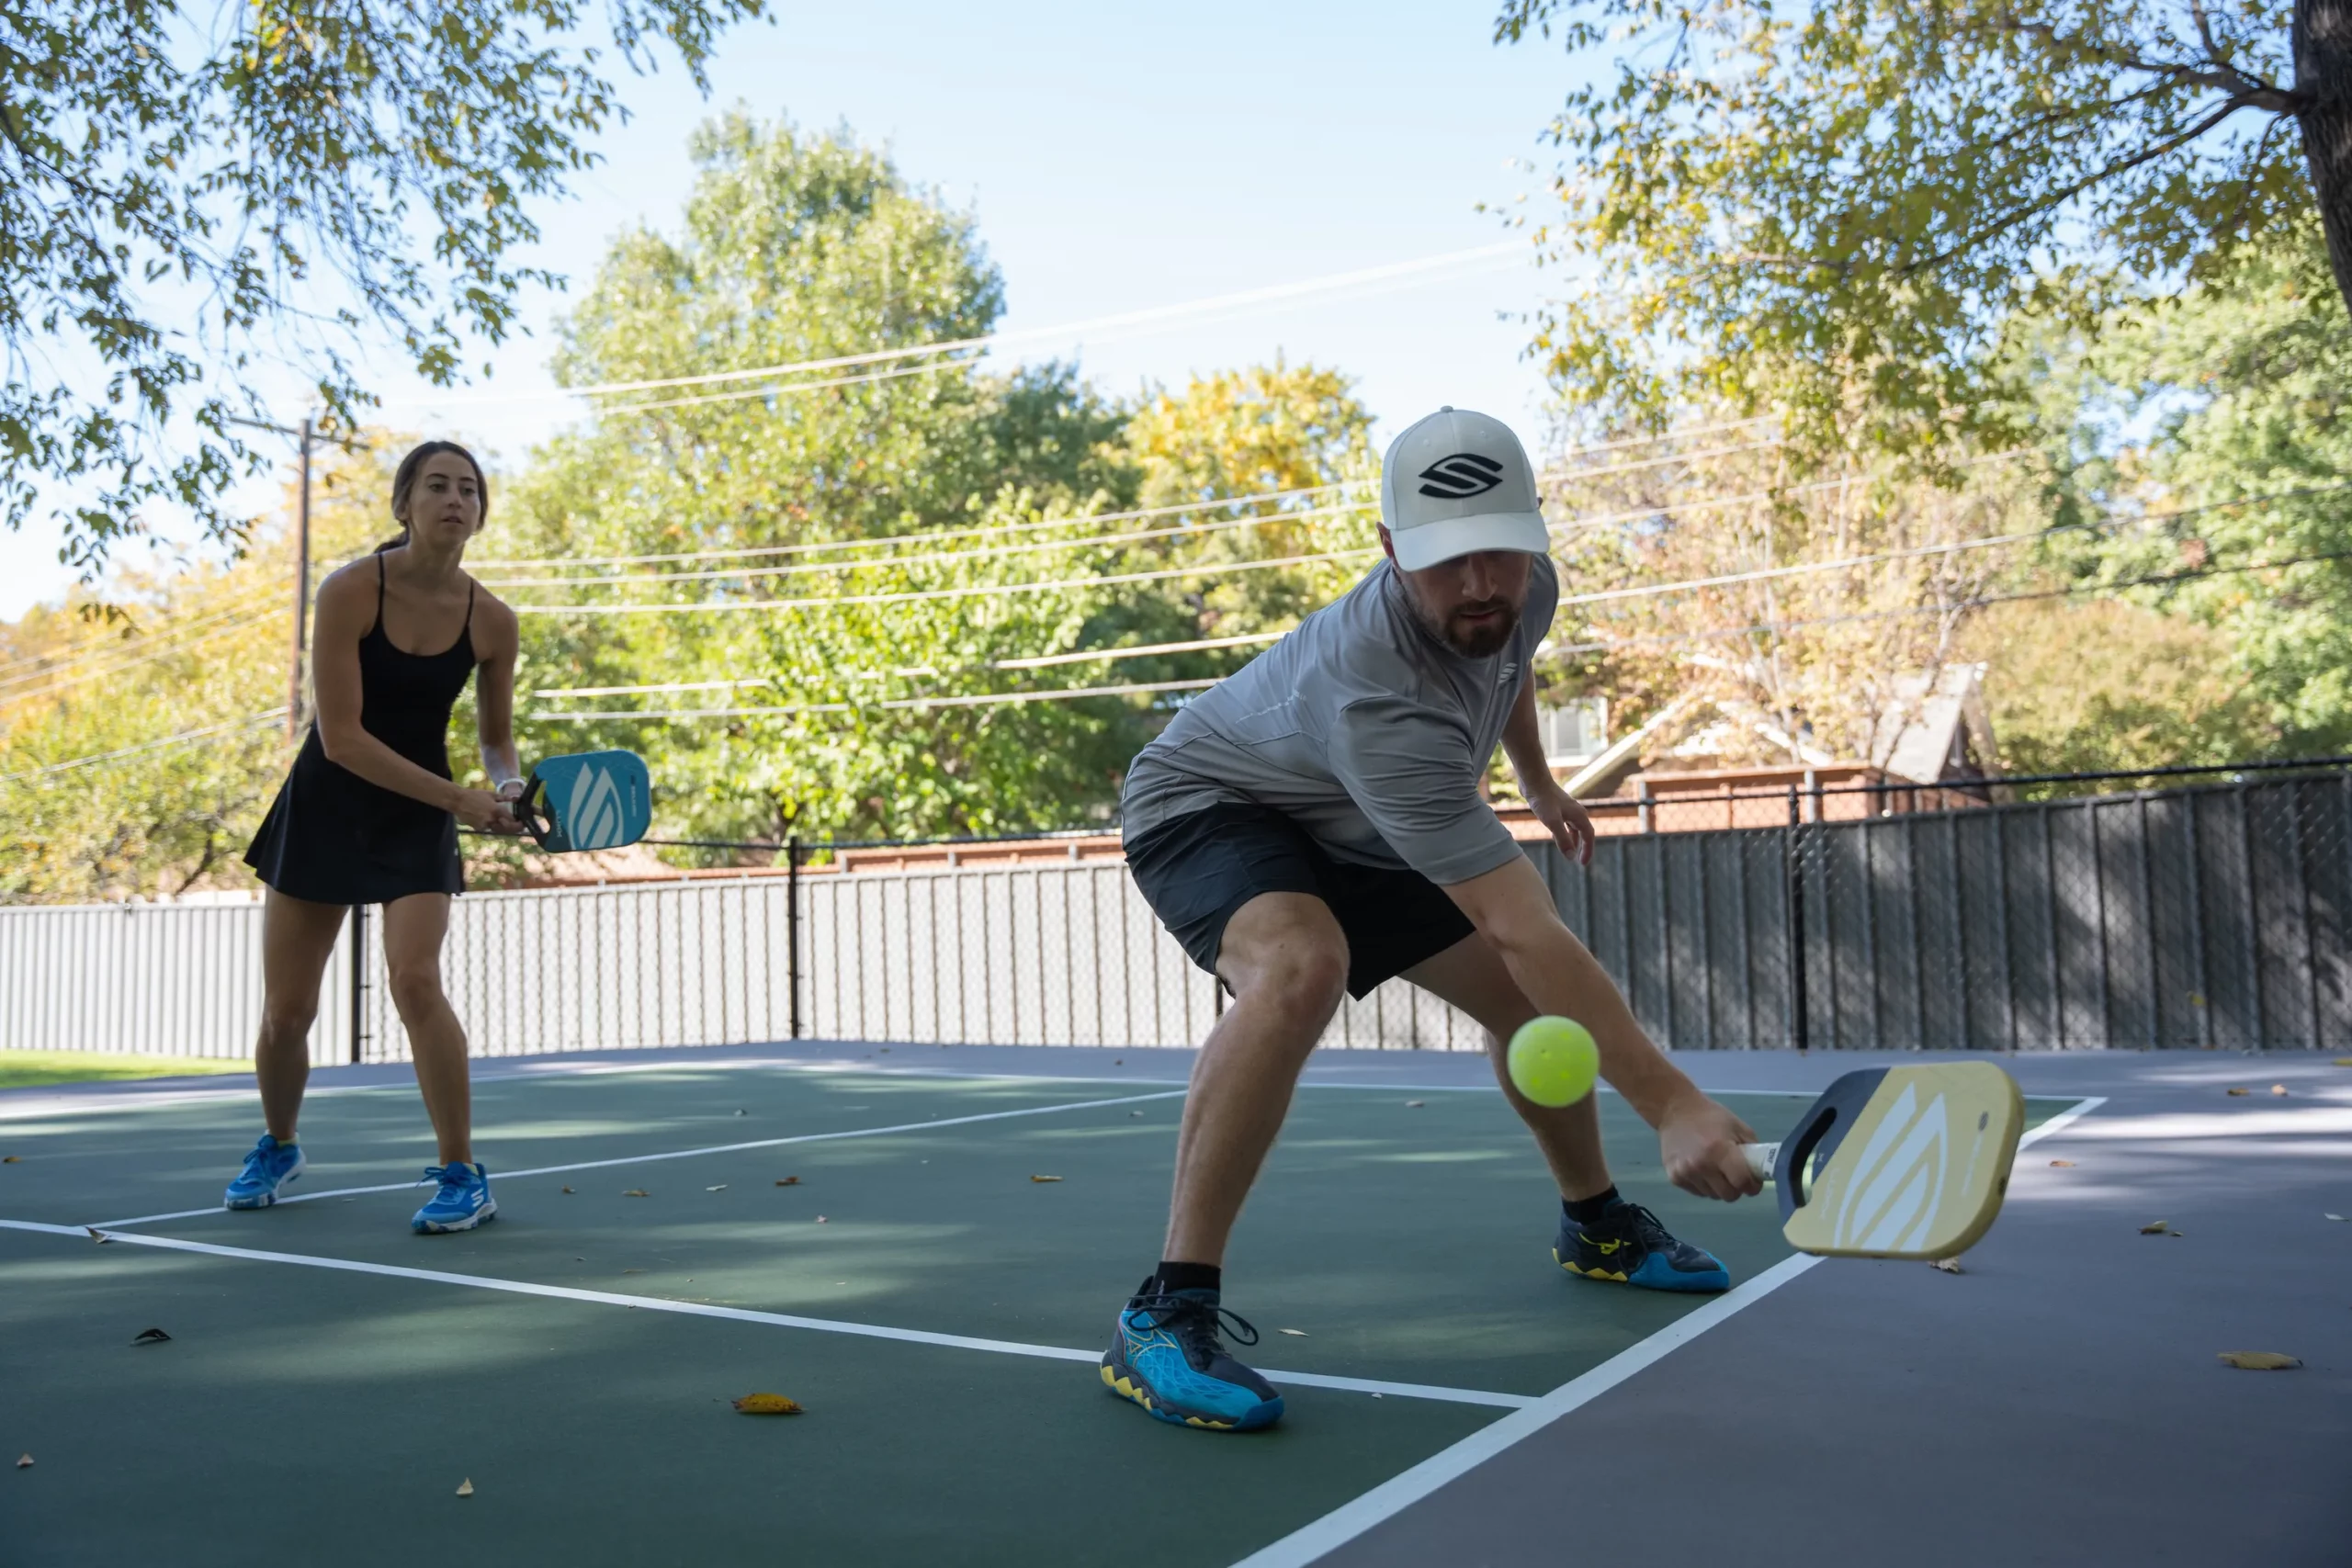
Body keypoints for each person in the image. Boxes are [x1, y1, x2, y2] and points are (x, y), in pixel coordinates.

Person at [1102, 407, 1766, 1432]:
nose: (1479, 585)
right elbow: (1522, 924)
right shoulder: (1376, 698)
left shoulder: (1522, 590)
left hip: (1351, 811)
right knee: (1301, 966)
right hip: (1212, 804)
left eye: (1499, 551)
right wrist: (1671, 1101)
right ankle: (1165, 1309)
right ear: (1388, 552)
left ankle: (1593, 1226)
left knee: (1524, 1007)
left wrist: (1538, 783)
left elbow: (1503, 665)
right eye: (1445, 563)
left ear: (1532, 532)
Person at [228, 440, 526, 1233]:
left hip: (415, 816)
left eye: (468, 488)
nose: (454, 499)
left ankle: (463, 1171)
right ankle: (280, 1143)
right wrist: (460, 799)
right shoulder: (350, 589)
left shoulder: (493, 620)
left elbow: (497, 740)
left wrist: (504, 786)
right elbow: (344, 738)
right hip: (329, 801)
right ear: (403, 504)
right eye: (436, 485)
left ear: (480, 512)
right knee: (287, 1011)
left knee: (416, 980)